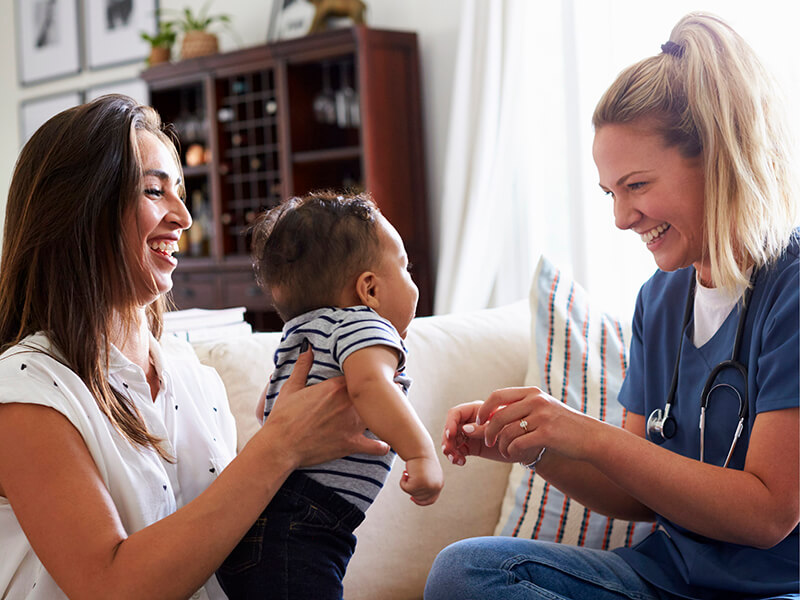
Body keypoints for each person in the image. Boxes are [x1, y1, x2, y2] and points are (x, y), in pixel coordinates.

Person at [426, 12, 798, 600]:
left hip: (775, 590)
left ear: (717, 159)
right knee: (468, 570)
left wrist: (590, 435)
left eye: (637, 186)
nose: (623, 219)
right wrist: (537, 444)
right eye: (610, 193)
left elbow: (770, 514)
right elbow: (635, 496)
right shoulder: (660, 299)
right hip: (663, 577)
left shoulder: (791, 290)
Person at [0, 95, 391, 600]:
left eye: (180, 192)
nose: (183, 217)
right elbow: (108, 587)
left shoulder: (189, 372)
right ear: (79, 210)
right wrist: (281, 445)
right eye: (154, 191)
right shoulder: (25, 395)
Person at [216, 192, 443, 599]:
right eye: (405, 268)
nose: (413, 282)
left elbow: (266, 406)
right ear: (369, 290)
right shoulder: (365, 324)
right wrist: (421, 453)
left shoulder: (306, 332)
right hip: (306, 522)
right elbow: (369, 385)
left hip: (269, 515)